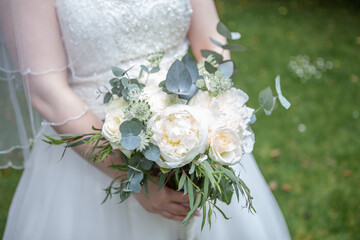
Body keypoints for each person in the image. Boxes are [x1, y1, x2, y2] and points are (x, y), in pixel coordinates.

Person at [1, 0, 291, 239]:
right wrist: (134, 180)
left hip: (192, 125)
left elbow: (212, 44)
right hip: (89, 148)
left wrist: (204, 118)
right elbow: (46, 92)